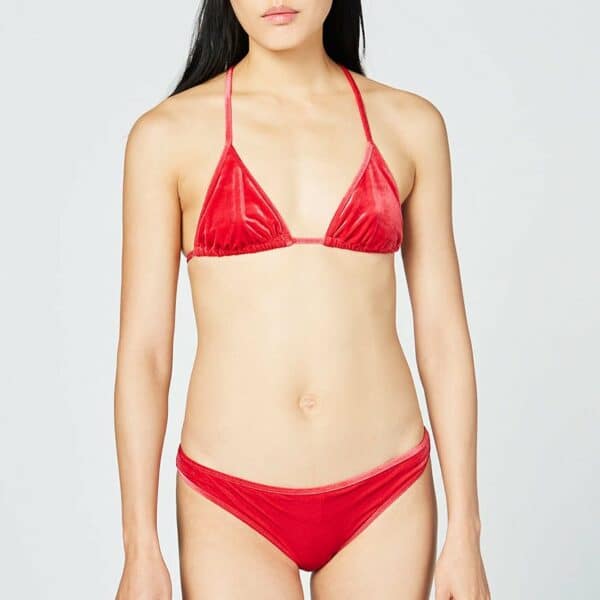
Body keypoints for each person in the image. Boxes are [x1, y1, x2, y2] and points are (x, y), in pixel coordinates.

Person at [114, 1, 490, 598]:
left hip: (385, 494)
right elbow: (145, 356)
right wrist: (140, 548)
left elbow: (443, 336)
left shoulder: (410, 125)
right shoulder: (166, 137)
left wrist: (466, 532)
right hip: (228, 502)